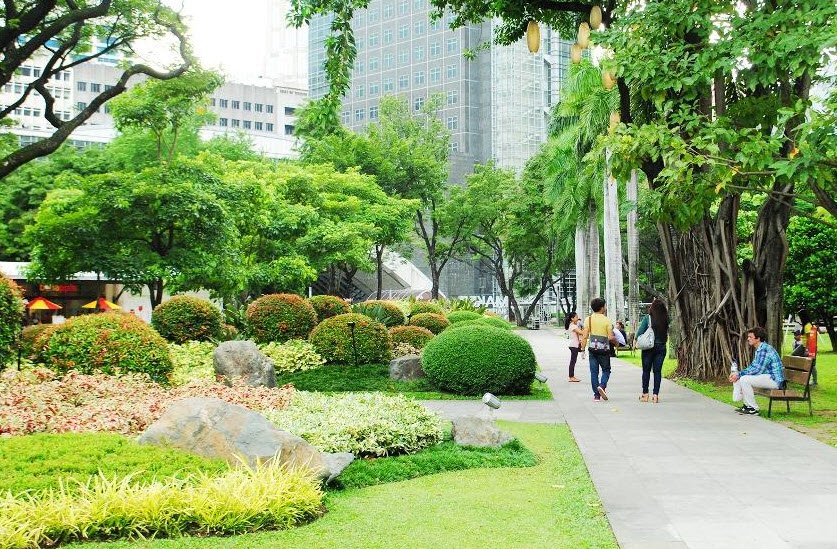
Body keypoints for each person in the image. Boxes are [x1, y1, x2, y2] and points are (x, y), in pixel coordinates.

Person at [729, 326, 784, 415]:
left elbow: (758, 369)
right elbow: (753, 367)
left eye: (750, 337)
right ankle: (747, 406)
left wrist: (739, 374)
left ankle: (754, 408)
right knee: (742, 377)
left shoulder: (765, 349)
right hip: (768, 377)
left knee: (744, 379)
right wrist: (738, 374)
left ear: (758, 338)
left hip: (775, 380)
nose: (748, 339)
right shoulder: (760, 349)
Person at [581, 297, 617, 401]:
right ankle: (602, 385)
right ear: (602, 308)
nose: (605, 308)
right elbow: (610, 337)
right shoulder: (607, 320)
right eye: (604, 306)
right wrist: (617, 342)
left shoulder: (589, 319)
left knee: (594, 372)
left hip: (592, 349)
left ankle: (596, 395)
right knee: (606, 370)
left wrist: (582, 350)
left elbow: (584, 336)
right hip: (604, 350)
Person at [636, 299, 669, 403]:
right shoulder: (666, 319)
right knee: (657, 371)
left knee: (646, 371)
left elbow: (639, 334)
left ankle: (645, 395)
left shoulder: (647, 318)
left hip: (648, 348)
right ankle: (655, 395)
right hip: (661, 347)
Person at [564, 312, 583, 382]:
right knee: (573, 361)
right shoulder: (573, 326)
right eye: (576, 317)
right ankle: (571, 377)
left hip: (574, 345)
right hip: (573, 345)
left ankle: (572, 376)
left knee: (573, 361)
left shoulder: (573, 325)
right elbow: (581, 332)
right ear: (572, 318)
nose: (577, 318)